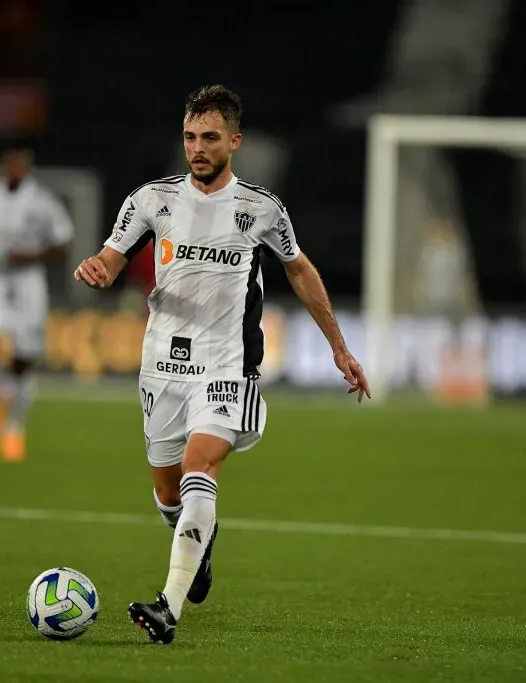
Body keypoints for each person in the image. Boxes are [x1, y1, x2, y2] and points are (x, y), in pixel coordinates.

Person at [74, 85, 371, 644]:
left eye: (210, 138)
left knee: (198, 467)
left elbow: (300, 271)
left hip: (228, 366)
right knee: (167, 492)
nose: (197, 148)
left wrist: (339, 346)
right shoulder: (150, 200)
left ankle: (169, 606)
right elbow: (112, 260)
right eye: (190, 137)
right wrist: (97, 268)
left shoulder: (260, 209)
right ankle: (198, 543)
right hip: (162, 365)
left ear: (234, 141)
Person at [0, 146, 74, 462]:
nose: (14, 168)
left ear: (27, 166)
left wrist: (34, 255)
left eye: (19, 163)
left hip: (27, 279)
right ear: (1, 165)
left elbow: (63, 242)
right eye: (9, 163)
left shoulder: (42, 201)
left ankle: (14, 425)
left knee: (24, 355)